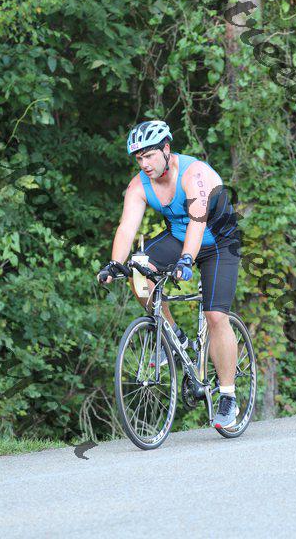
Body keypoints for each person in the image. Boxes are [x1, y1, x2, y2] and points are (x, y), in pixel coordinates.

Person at [97, 120, 241, 429]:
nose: (144, 164)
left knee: (216, 316)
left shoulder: (195, 175)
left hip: (219, 244)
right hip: (178, 237)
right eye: (139, 158)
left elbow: (198, 222)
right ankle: (172, 335)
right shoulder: (139, 185)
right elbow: (127, 227)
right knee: (138, 269)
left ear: (166, 149)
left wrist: (187, 259)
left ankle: (228, 395)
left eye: (149, 155)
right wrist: (114, 263)